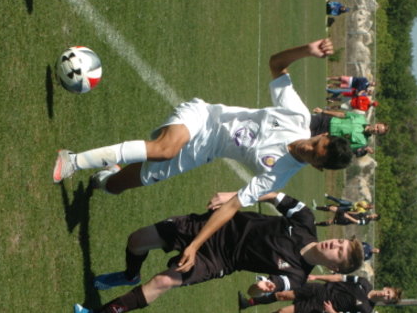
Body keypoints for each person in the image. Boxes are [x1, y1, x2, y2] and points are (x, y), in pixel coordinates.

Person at [55, 39, 352, 270]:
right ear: (322, 135)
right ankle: (72, 161)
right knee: (164, 149)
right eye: (315, 143)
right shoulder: (298, 116)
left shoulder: (279, 175)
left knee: (115, 185)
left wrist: (196, 244)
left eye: (313, 155)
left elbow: (232, 206)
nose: (306, 147)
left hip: (204, 151)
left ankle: (107, 176)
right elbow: (276, 64)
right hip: (204, 117)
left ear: (317, 167)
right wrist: (307, 51)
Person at [72, 192, 364, 313]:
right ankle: (130, 275)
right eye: (340, 242)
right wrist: (234, 197)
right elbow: (273, 194)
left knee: (163, 281)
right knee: (137, 240)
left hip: (219, 259)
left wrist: (259, 289)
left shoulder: (297, 277)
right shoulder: (305, 220)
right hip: (217, 223)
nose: (334, 244)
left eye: (338, 252)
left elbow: (255, 290)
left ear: (334, 267)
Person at [241, 274, 402, 313]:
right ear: (386, 288)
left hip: (320, 306)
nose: (385, 295)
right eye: (388, 292)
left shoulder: (366, 310)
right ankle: (249, 303)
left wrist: (332, 312)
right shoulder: (363, 282)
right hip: (319, 289)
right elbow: (339, 278)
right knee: (281, 295)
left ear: (386, 302)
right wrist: (317, 277)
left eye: (388, 297)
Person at [310, 108, 388, 156]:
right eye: (377, 127)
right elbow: (342, 115)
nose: (375, 129)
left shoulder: (362, 142)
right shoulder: (361, 118)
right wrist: (323, 111)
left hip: (326, 136)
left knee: (305, 136)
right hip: (326, 120)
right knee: (305, 122)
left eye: (378, 131)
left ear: (377, 134)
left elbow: (344, 147)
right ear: (377, 123)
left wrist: (327, 144)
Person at [315, 210, 380, 227]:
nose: (373, 215)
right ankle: (318, 208)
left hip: (346, 220)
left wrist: (348, 217)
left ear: (374, 219)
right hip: (347, 214)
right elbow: (357, 213)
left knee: (331, 221)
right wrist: (348, 212)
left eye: (374, 217)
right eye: (375, 214)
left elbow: (357, 222)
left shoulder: (366, 222)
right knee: (335, 209)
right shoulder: (366, 213)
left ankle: (316, 223)